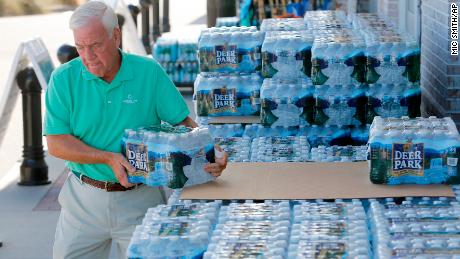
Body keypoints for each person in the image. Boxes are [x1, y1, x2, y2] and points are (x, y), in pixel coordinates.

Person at [44, 1, 228, 259]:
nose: (87, 56)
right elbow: (56, 142)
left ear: (116, 36)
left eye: (95, 45)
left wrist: (211, 151)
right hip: (83, 202)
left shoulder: (148, 71)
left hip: (141, 200)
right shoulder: (63, 79)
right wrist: (108, 158)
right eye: (80, 46)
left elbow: (183, 123)